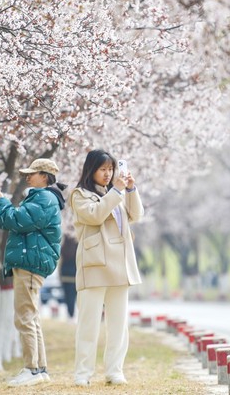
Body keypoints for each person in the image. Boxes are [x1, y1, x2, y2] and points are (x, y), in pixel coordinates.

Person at [0, 158, 65, 387]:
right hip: (31, 260)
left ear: (45, 176)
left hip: (31, 262)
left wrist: (0, 200)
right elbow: (8, 220)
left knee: (25, 317)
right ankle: (39, 369)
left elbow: (18, 220)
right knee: (31, 316)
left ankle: (32, 369)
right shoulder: (42, 197)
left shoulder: (44, 198)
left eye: (32, 173)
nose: (27, 176)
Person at [69, 149, 144, 386]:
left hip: (120, 266)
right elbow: (95, 215)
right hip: (95, 265)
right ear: (91, 170)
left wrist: (131, 189)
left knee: (118, 325)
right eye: (103, 169)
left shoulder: (116, 194)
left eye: (111, 169)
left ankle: (114, 371)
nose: (108, 173)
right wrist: (117, 191)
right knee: (88, 325)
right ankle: (83, 374)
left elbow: (136, 215)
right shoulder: (79, 195)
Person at [58, 232, 78, 319]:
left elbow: (60, 261)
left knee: (68, 297)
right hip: (75, 275)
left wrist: (59, 275)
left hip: (65, 275)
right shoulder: (77, 244)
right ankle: (74, 315)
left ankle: (70, 315)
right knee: (74, 297)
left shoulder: (64, 245)